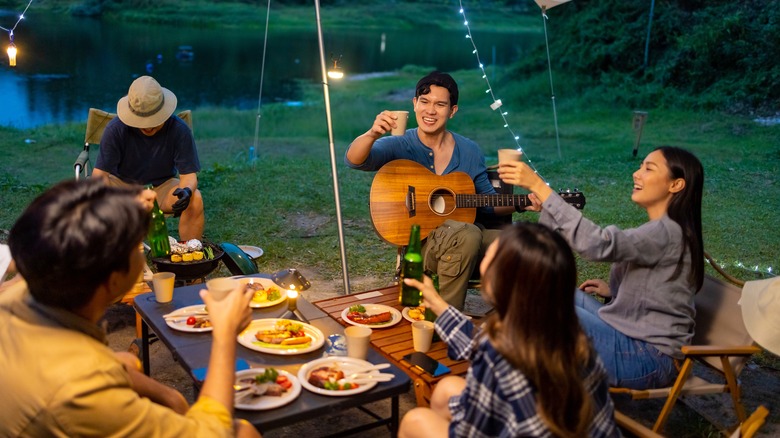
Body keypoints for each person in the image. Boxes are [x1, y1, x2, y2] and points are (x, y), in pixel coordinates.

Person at [0, 179, 259, 437]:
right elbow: (210, 433)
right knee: (243, 431)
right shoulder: (84, 390)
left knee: (126, 363)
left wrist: (171, 396)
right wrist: (225, 335)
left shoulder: (31, 288)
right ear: (113, 281)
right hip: (59, 401)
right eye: (137, 245)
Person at [499, 146, 705, 389]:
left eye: (648, 168)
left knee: (540, 304)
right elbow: (662, 287)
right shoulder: (668, 229)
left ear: (676, 185)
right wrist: (614, 292)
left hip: (647, 356)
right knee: (546, 287)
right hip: (632, 336)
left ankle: (519, 382)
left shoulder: (666, 231)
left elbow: (597, 244)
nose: (636, 174)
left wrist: (541, 189)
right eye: (640, 166)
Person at [399, 222, 619, 437]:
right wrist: (438, 303)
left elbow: (467, 431)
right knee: (448, 387)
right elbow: (482, 345)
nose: (483, 260)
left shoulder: (496, 357)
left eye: (491, 257)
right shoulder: (574, 338)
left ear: (502, 282)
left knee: (415, 420)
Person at [345, 71, 516, 310]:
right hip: (423, 245)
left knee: (525, 242)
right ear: (414, 104)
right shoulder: (400, 143)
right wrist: (372, 134)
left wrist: (526, 201)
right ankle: (445, 321)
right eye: (424, 102)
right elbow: (355, 160)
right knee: (468, 233)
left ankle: (520, 321)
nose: (431, 110)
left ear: (452, 110)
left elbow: (489, 201)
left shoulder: (469, 150)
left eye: (440, 104)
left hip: (468, 237)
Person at [92, 75, 205, 241]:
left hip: (161, 188)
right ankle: (108, 256)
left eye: (153, 120)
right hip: (123, 188)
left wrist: (187, 190)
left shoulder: (179, 130)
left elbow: (189, 176)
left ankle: (189, 255)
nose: (149, 127)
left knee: (195, 199)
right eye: (142, 121)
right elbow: (99, 175)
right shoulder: (115, 129)